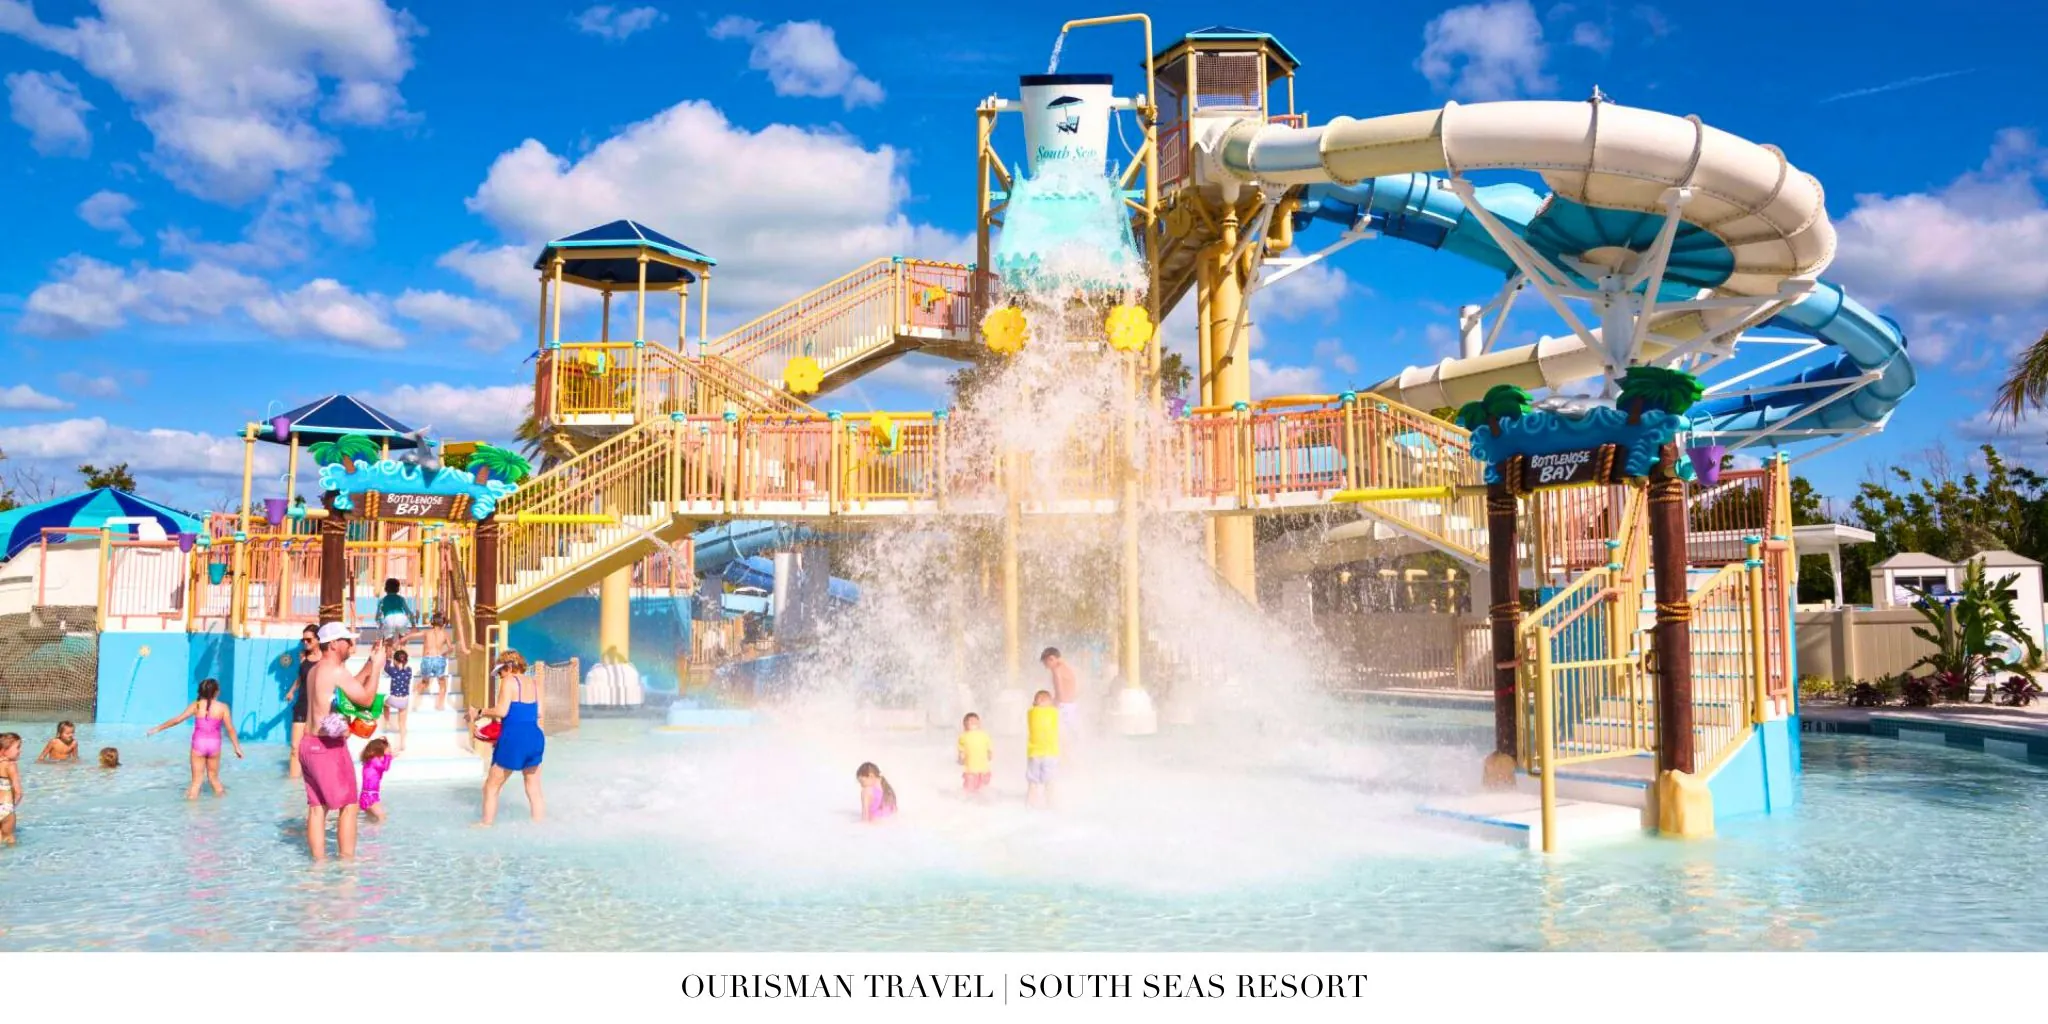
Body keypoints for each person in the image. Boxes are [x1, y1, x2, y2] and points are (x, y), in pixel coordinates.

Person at [302, 621, 386, 862]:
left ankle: (318, 865)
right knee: (349, 805)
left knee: (318, 809)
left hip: (309, 744)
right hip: (327, 747)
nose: (352, 644)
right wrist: (378, 668)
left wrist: (369, 665)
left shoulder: (317, 670)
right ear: (335, 644)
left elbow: (350, 688)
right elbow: (366, 700)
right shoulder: (336, 671)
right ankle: (347, 866)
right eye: (348, 640)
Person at [478, 651, 545, 826]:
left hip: (515, 737)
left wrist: (481, 712)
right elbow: (539, 713)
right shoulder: (535, 683)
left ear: (509, 667)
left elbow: (501, 711)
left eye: (500, 672)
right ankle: (539, 825)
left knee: (491, 786)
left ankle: (486, 824)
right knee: (533, 787)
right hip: (535, 737)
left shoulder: (509, 681)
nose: (500, 677)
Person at [147, 678, 244, 799]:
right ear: (216, 692)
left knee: (196, 782)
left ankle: (191, 813)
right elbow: (230, 729)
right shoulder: (223, 707)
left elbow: (178, 720)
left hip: (199, 745)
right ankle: (222, 809)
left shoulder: (196, 705)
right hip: (214, 746)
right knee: (214, 779)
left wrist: (158, 728)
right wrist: (237, 747)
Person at [285, 624, 318, 780]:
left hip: (319, 708)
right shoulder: (304, 657)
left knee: (315, 748)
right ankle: (291, 785)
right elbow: (300, 678)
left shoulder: (325, 659)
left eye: (308, 639)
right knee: (294, 748)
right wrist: (292, 691)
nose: (305, 642)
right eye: (303, 639)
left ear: (318, 639)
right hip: (302, 705)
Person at [1026, 690, 1059, 809]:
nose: (1041, 701)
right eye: (1039, 698)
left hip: (1041, 753)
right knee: (1042, 782)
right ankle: (1046, 804)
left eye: (1043, 698)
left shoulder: (1032, 712)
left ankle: (1035, 805)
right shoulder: (1049, 712)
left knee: (1040, 782)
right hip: (1044, 753)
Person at [1041, 647, 1081, 740]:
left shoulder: (1056, 670)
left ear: (1051, 658)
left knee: (1061, 736)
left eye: (1046, 663)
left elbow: (1059, 692)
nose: (1046, 667)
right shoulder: (1068, 668)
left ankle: (1064, 754)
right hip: (1072, 705)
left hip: (1064, 706)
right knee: (1073, 734)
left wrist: (1052, 705)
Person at [383, 647, 415, 752]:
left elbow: (385, 667)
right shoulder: (409, 671)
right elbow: (405, 665)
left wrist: (388, 658)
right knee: (402, 723)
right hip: (404, 700)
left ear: (395, 661)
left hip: (393, 699)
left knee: (385, 704)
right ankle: (402, 743)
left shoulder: (393, 671)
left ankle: (386, 722)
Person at [418, 615, 453, 711]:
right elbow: (451, 648)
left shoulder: (427, 632)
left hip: (427, 658)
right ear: (443, 624)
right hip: (438, 659)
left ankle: (415, 700)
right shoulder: (445, 634)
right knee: (442, 683)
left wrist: (402, 639)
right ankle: (440, 705)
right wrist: (445, 653)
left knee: (424, 682)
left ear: (432, 622)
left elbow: (413, 635)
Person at [957, 712, 992, 797]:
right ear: (965, 725)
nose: (973, 723)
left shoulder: (984, 735)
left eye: (976, 721)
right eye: (970, 721)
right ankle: (969, 802)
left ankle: (982, 801)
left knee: (983, 788)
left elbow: (989, 748)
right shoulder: (963, 736)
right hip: (970, 770)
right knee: (969, 788)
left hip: (984, 770)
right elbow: (961, 750)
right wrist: (961, 758)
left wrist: (989, 754)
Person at [358, 738, 393, 824]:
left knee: (371, 820)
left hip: (367, 795)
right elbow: (385, 768)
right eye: (388, 748)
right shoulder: (374, 761)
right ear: (380, 749)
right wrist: (388, 757)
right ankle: (376, 834)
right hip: (370, 797)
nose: (389, 750)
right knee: (382, 818)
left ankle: (367, 835)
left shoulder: (370, 761)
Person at [0, 732, 20, 845]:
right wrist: (11, 808)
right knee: (9, 839)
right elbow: (19, 792)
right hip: (6, 808)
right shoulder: (11, 765)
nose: (19, 751)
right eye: (17, 747)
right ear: (4, 750)